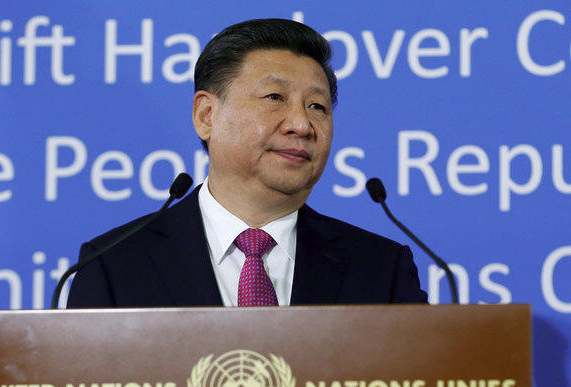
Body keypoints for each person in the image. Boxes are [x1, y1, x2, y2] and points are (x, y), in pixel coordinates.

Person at [67, 18, 427, 309]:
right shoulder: (113, 264)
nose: (301, 125)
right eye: (275, 97)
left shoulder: (382, 269)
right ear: (206, 115)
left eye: (317, 106)